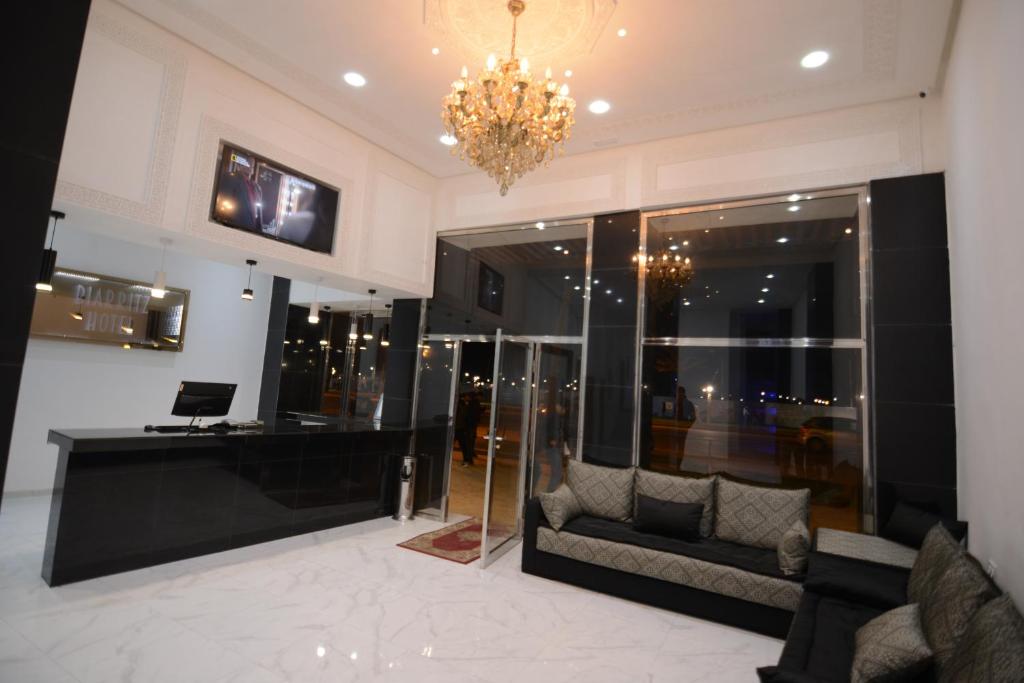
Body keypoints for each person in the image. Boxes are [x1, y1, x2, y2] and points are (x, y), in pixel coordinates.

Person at [455, 390, 482, 467]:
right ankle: (468, 459)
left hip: (461, 427)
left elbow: (464, 416)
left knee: (465, 444)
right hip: (463, 427)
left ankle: (467, 459)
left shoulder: (466, 404)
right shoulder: (468, 404)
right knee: (466, 444)